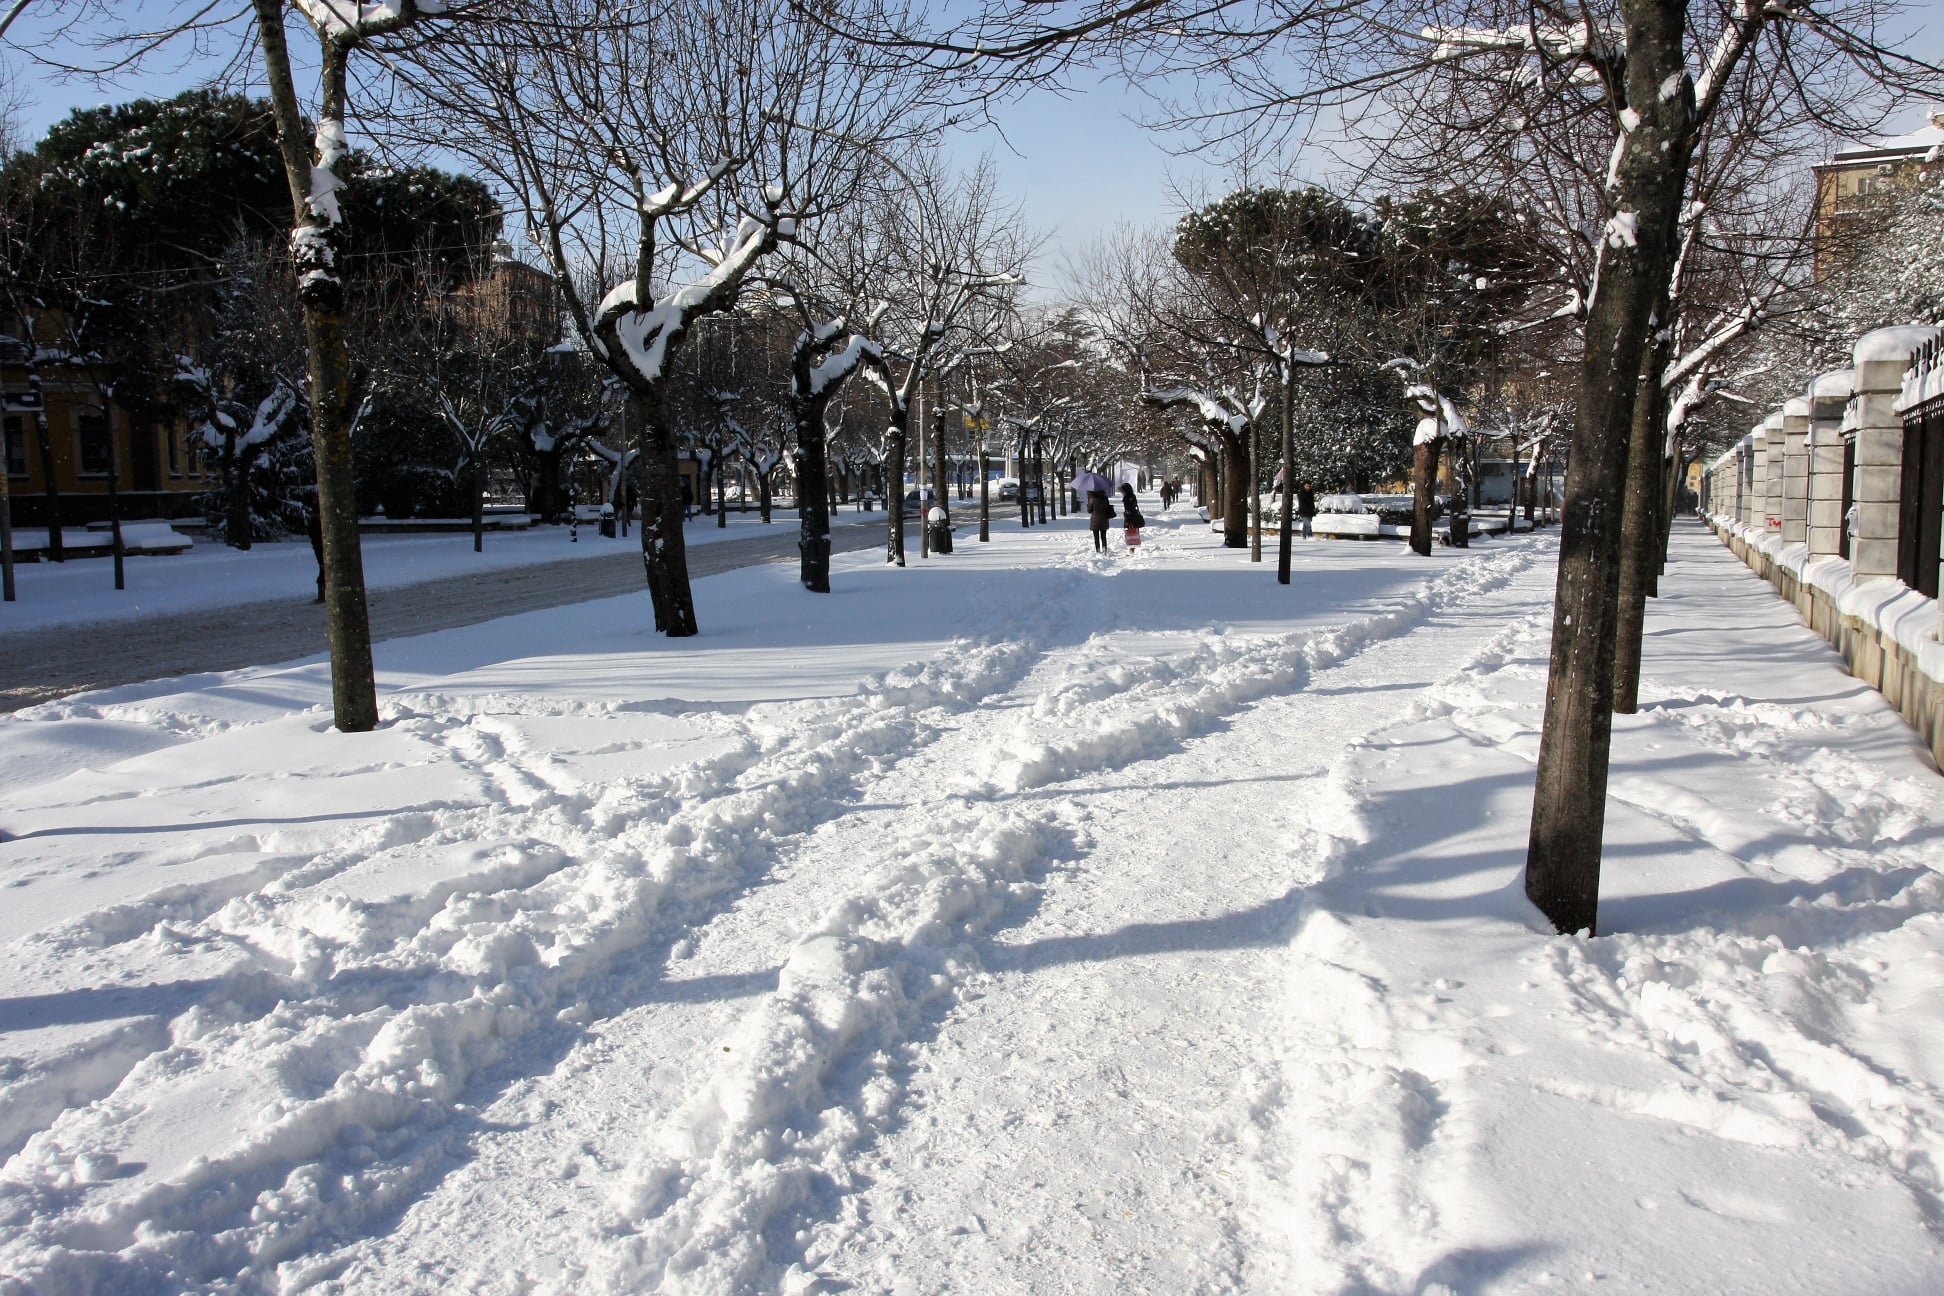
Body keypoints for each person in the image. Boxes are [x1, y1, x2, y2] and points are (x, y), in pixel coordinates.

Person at [1119, 482, 1145, 548]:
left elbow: (1128, 508)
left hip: (1129, 517)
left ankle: (1131, 548)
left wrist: (1126, 513)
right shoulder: (1133, 496)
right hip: (1135, 516)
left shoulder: (1126, 497)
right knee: (1134, 532)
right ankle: (1133, 548)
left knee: (1129, 532)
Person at [1086, 488, 1113, 553]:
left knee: (1096, 537)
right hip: (1104, 519)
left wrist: (1088, 505)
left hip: (1095, 521)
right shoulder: (1105, 498)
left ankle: (1097, 549)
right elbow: (1107, 508)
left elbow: (1089, 511)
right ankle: (1104, 549)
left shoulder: (1092, 499)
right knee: (1103, 536)